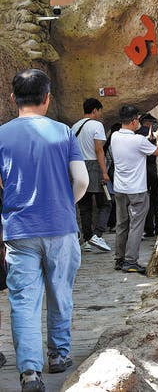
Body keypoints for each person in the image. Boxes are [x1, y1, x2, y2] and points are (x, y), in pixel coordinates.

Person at [0, 69, 89, 391]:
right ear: (47, 98)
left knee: (23, 300)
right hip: (61, 226)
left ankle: (29, 372)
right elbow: (81, 181)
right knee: (60, 292)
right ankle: (59, 355)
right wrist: (66, 202)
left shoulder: (1, 135)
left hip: (19, 230)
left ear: (13, 98)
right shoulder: (64, 133)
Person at [111, 105, 158, 274]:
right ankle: (130, 261)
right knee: (136, 225)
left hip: (120, 188)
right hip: (137, 189)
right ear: (134, 121)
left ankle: (119, 259)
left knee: (122, 224)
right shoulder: (138, 140)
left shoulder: (114, 136)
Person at [71, 98, 111, 252]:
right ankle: (98, 234)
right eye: (100, 111)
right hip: (94, 165)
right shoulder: (96, 125)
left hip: (77, 165)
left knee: (84, 205)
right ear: (95, 110)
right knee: (105, 203)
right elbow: (99, 150)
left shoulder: (74, 126)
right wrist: (104, 171)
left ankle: (87, 239)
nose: (101, 114)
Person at [136, 113, 158, 237]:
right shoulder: (155, 135)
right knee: (156, 199)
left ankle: (148, 228)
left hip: (141, 170)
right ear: (149, 123)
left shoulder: (136, 134)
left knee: (144, 199)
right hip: (154, 168)